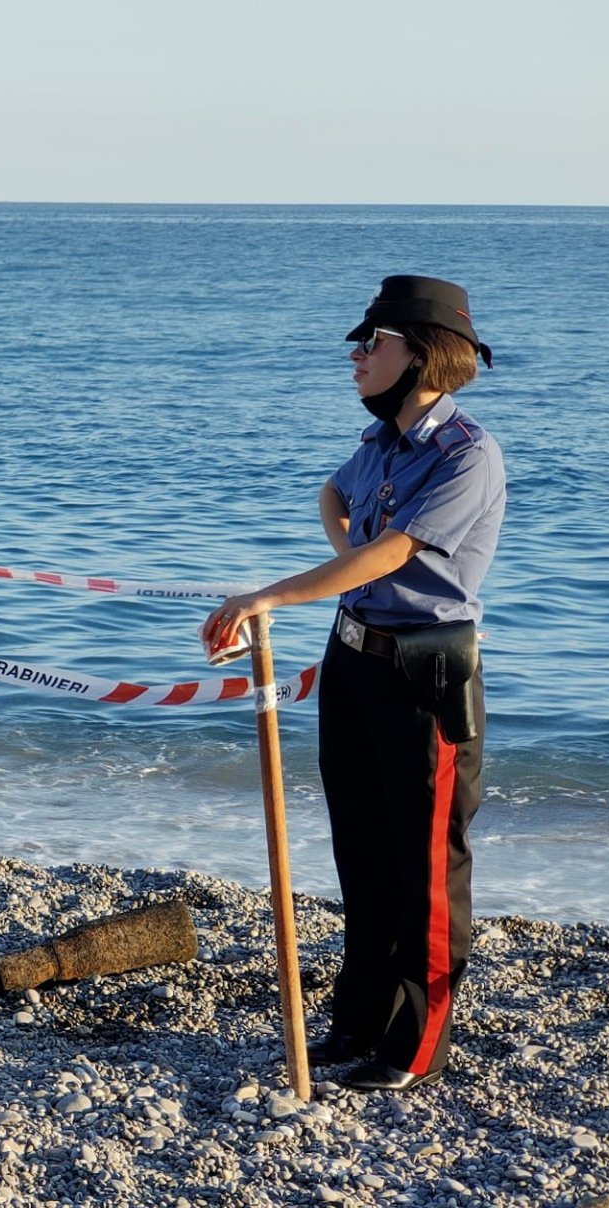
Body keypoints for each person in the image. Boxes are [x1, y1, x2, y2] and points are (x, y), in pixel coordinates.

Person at [203, 276, 505, 1093]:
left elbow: (393, 554)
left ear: (424, 355)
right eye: (361, 342)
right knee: (362, 857)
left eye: (375, 342)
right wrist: (343, 561)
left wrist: (274, 593)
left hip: (423, 670)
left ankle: (414, 1047)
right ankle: (357, 1023)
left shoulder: (466, 452)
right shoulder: (382, 442)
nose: (358, 354)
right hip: (353, 660)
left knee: (428, 869)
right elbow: (333, 495)